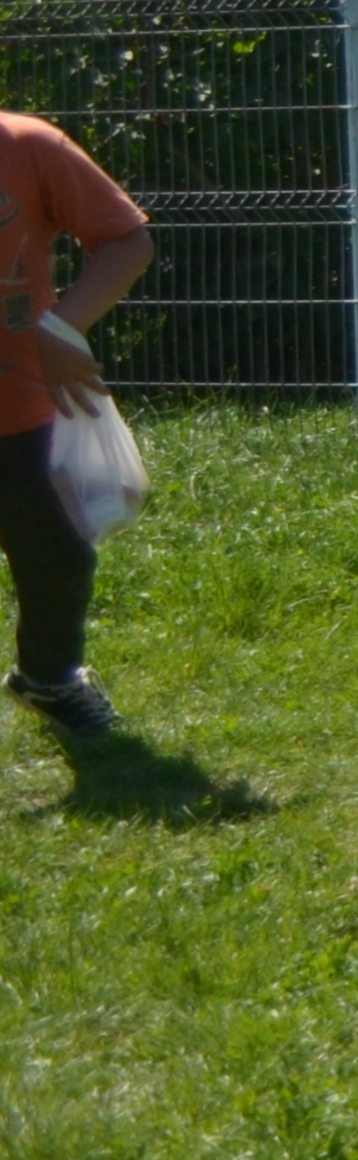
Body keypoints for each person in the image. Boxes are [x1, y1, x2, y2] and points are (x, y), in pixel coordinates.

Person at [0, 110, 151, 737]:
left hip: (19, 409)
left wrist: (65, 325)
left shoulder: (26, 145)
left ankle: (50, 679)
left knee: (58, 555)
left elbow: (126, 240)